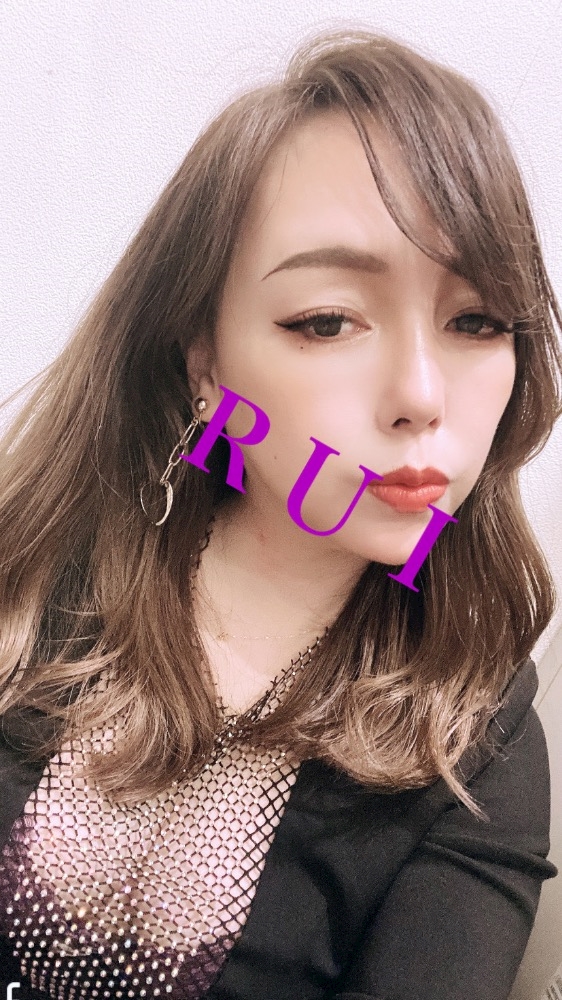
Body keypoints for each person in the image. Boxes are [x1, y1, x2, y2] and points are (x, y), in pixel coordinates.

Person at [0, 26, 560, 1000]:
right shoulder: (34, 574)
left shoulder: (476, 741)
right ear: (205, 361)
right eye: (326, 320)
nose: (421, 395)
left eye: (476, 321)